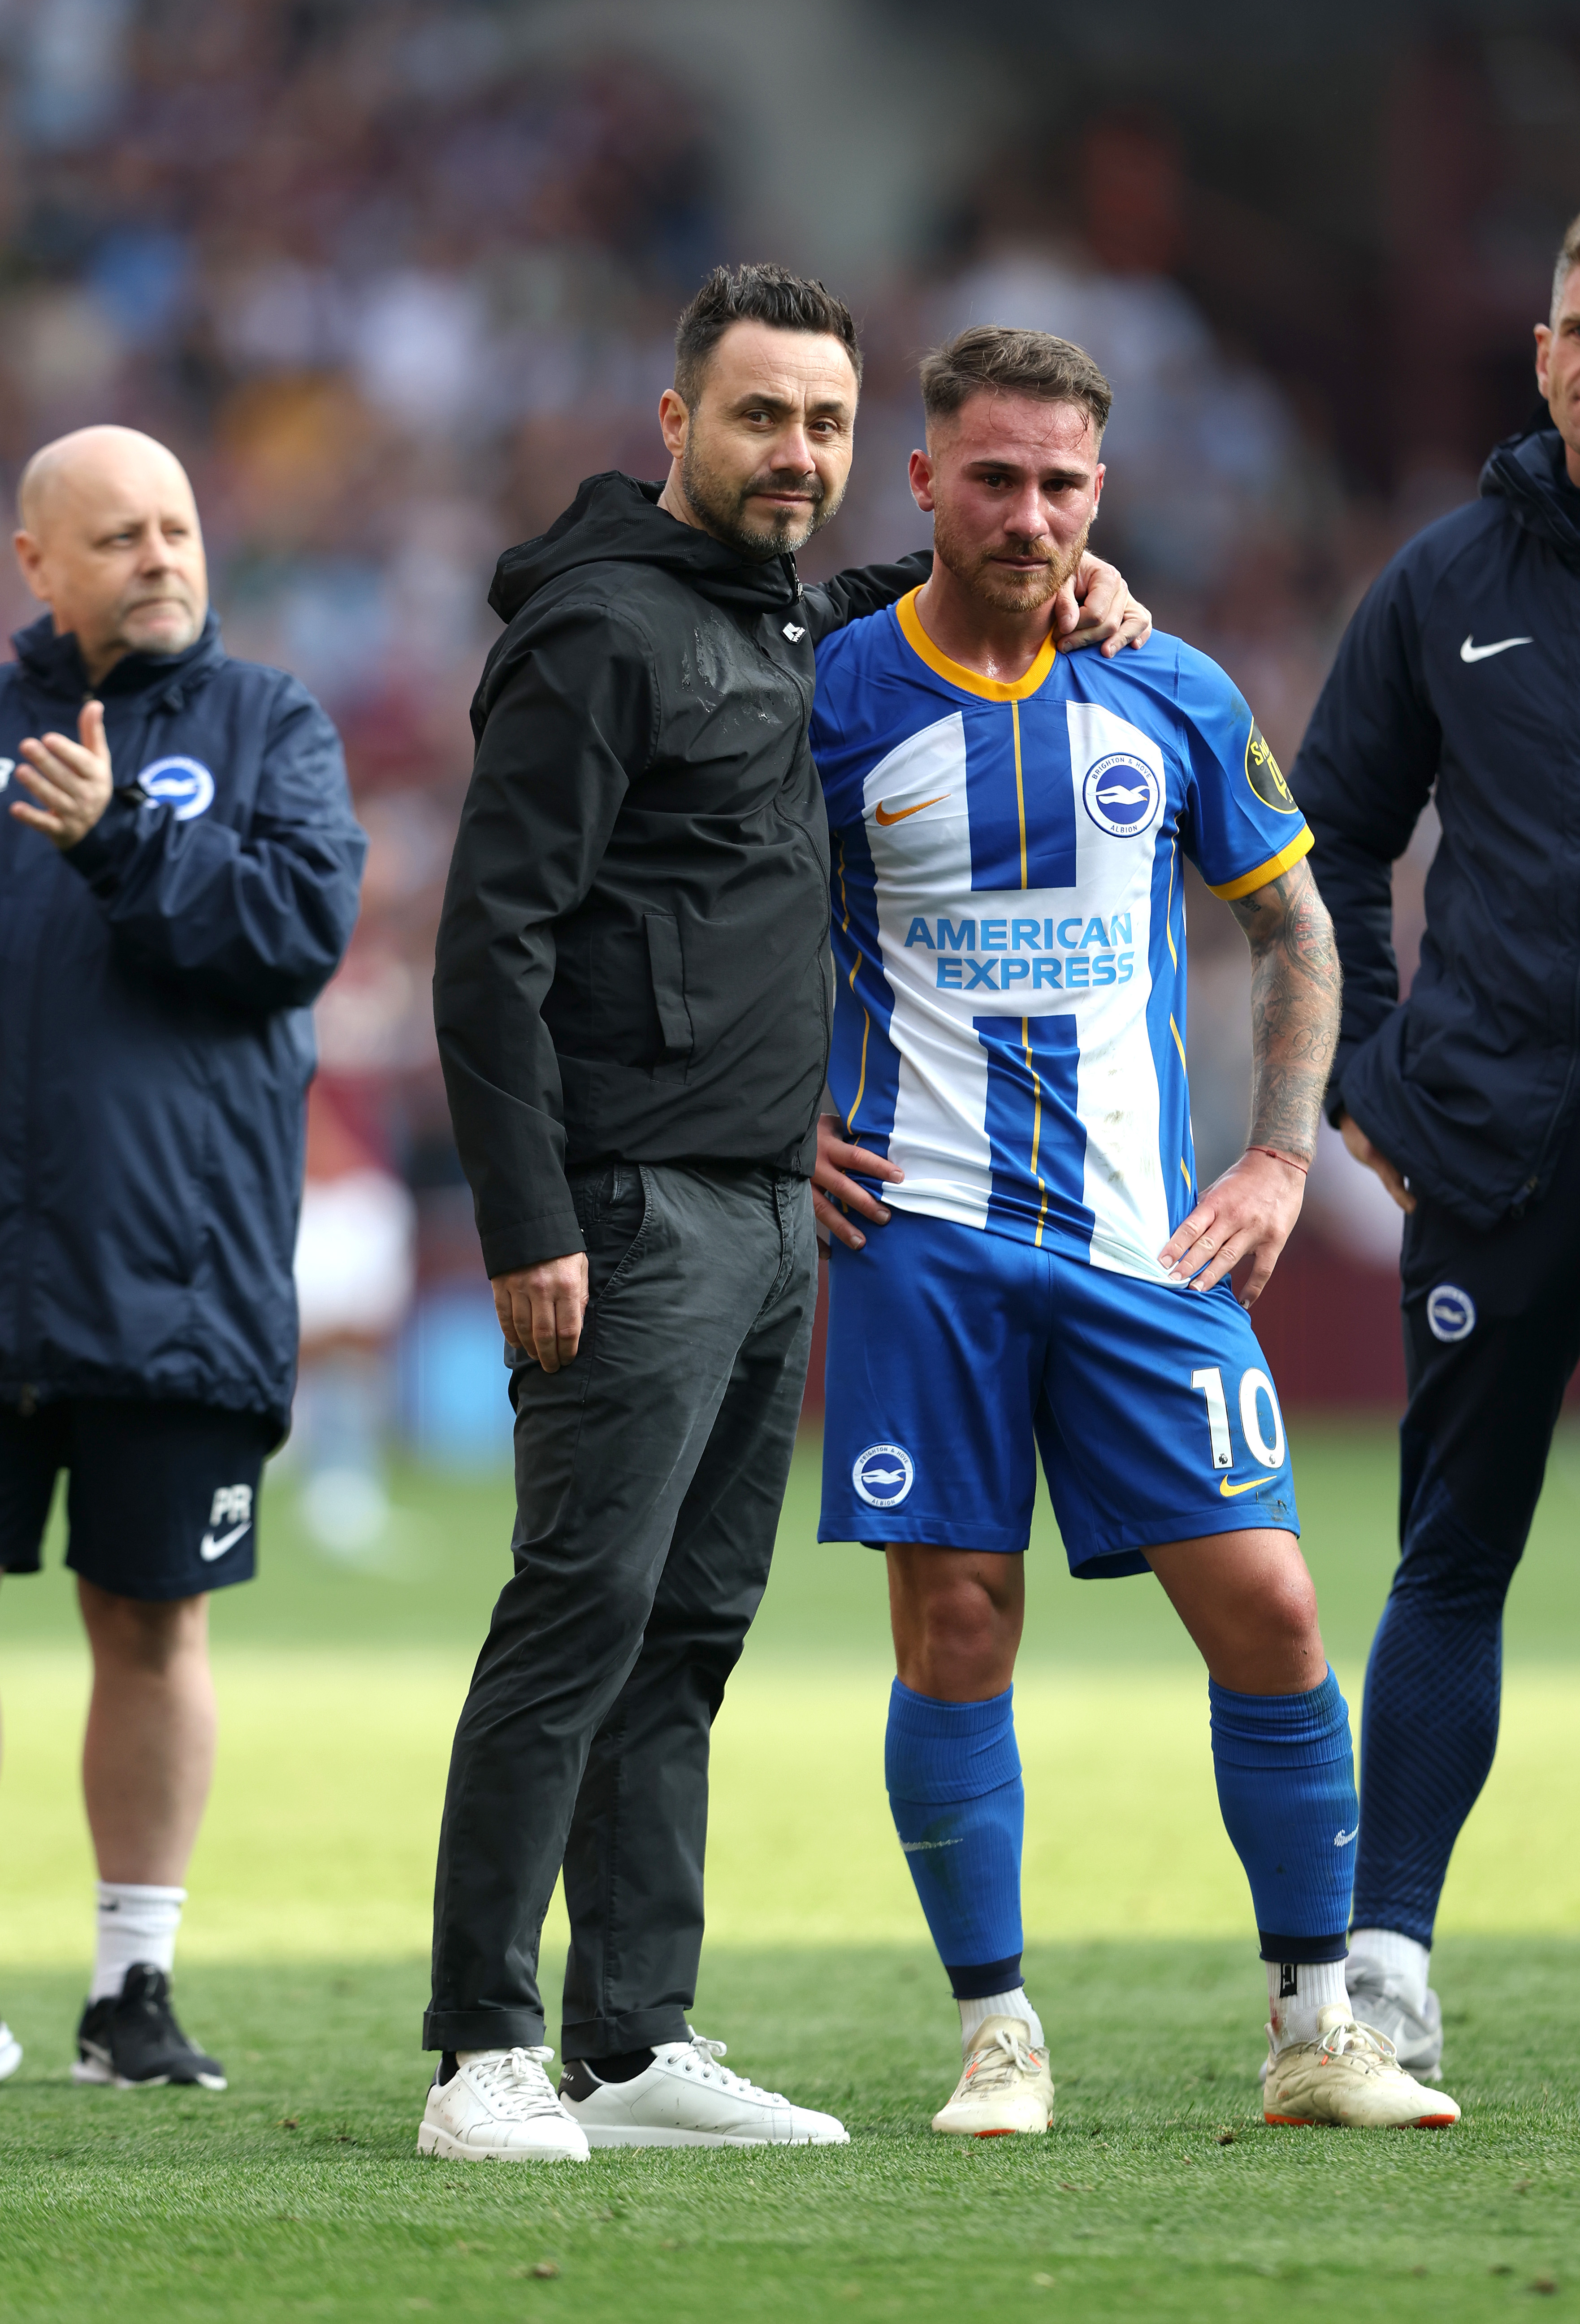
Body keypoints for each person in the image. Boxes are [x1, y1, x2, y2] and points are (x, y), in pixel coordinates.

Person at [419, 264, 1147, 2163]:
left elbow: (870, 614)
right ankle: (483, 2049)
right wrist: (527, 1219)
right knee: (577, 1610)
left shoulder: (766, 621)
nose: (795, 453)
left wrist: (1077, 584)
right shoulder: (596, 635)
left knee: (689, 1628)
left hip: (763, 1213)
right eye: (758, 416)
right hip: (626, 1207)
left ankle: (634, 2034)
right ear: (675, 424)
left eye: (822, 425)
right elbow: (486, 943)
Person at [808, 323, 1457, 2133]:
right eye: (992, 476)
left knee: (1269, 1603)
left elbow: (1303, 928)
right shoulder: (834, 693)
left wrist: (1269, 1158)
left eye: (1060, 482)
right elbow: (701, 916)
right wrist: (775, 1118)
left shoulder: (1165, 685)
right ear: (923, 479)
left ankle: (1315, 2023)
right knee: (956, 1623)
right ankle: (994, 2031)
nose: (1027, 513)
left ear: (1104, 491)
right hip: (918, 1234)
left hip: (1135, 1243)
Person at [1292, 194, 1580, 2077]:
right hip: (1498, 1147)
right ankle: (1385, 1953)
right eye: (1577, 327)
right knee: (1449, 1552)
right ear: (1543, 349)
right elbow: (1313, 835)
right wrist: (1369, 1076)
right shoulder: (1443, 579)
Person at [0, 425, 365, 2090]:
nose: (161, 556)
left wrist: (117, 842)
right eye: (121, 535)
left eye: (179, 527)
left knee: (152, 1626)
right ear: (39, 566)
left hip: (178, 1271)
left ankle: (128, 1995)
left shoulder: (268, 723)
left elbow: (296, 936)